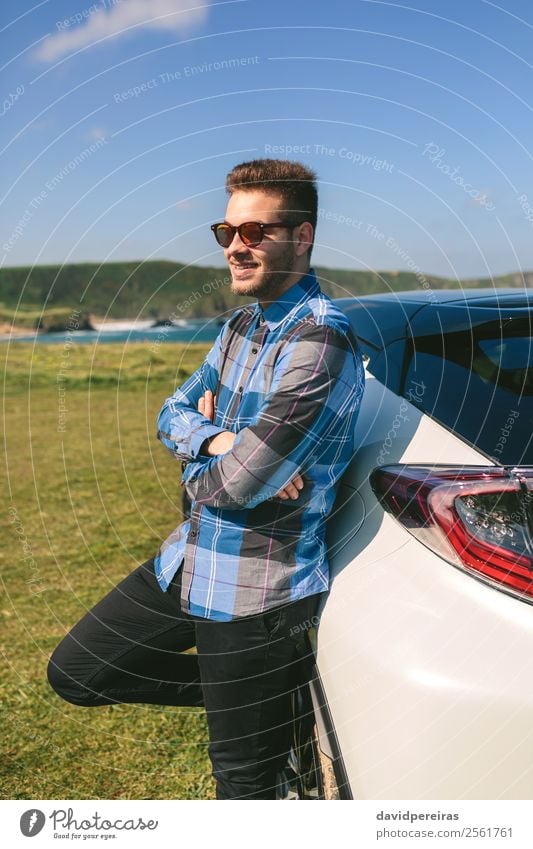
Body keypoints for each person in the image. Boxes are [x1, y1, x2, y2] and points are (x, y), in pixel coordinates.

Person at [47, 158, 365, 800]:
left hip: (255, 591)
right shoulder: (238, 327)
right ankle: (279, 704)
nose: (236, 248)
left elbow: (236, 489)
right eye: (227, 232)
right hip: (190, 558)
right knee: (78, 672)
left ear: (302, 237)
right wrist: (219, 441)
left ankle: (263, 712)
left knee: (243, 788)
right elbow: (171, 413)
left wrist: (216, 464)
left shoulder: (320, 343)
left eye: (256, 232)